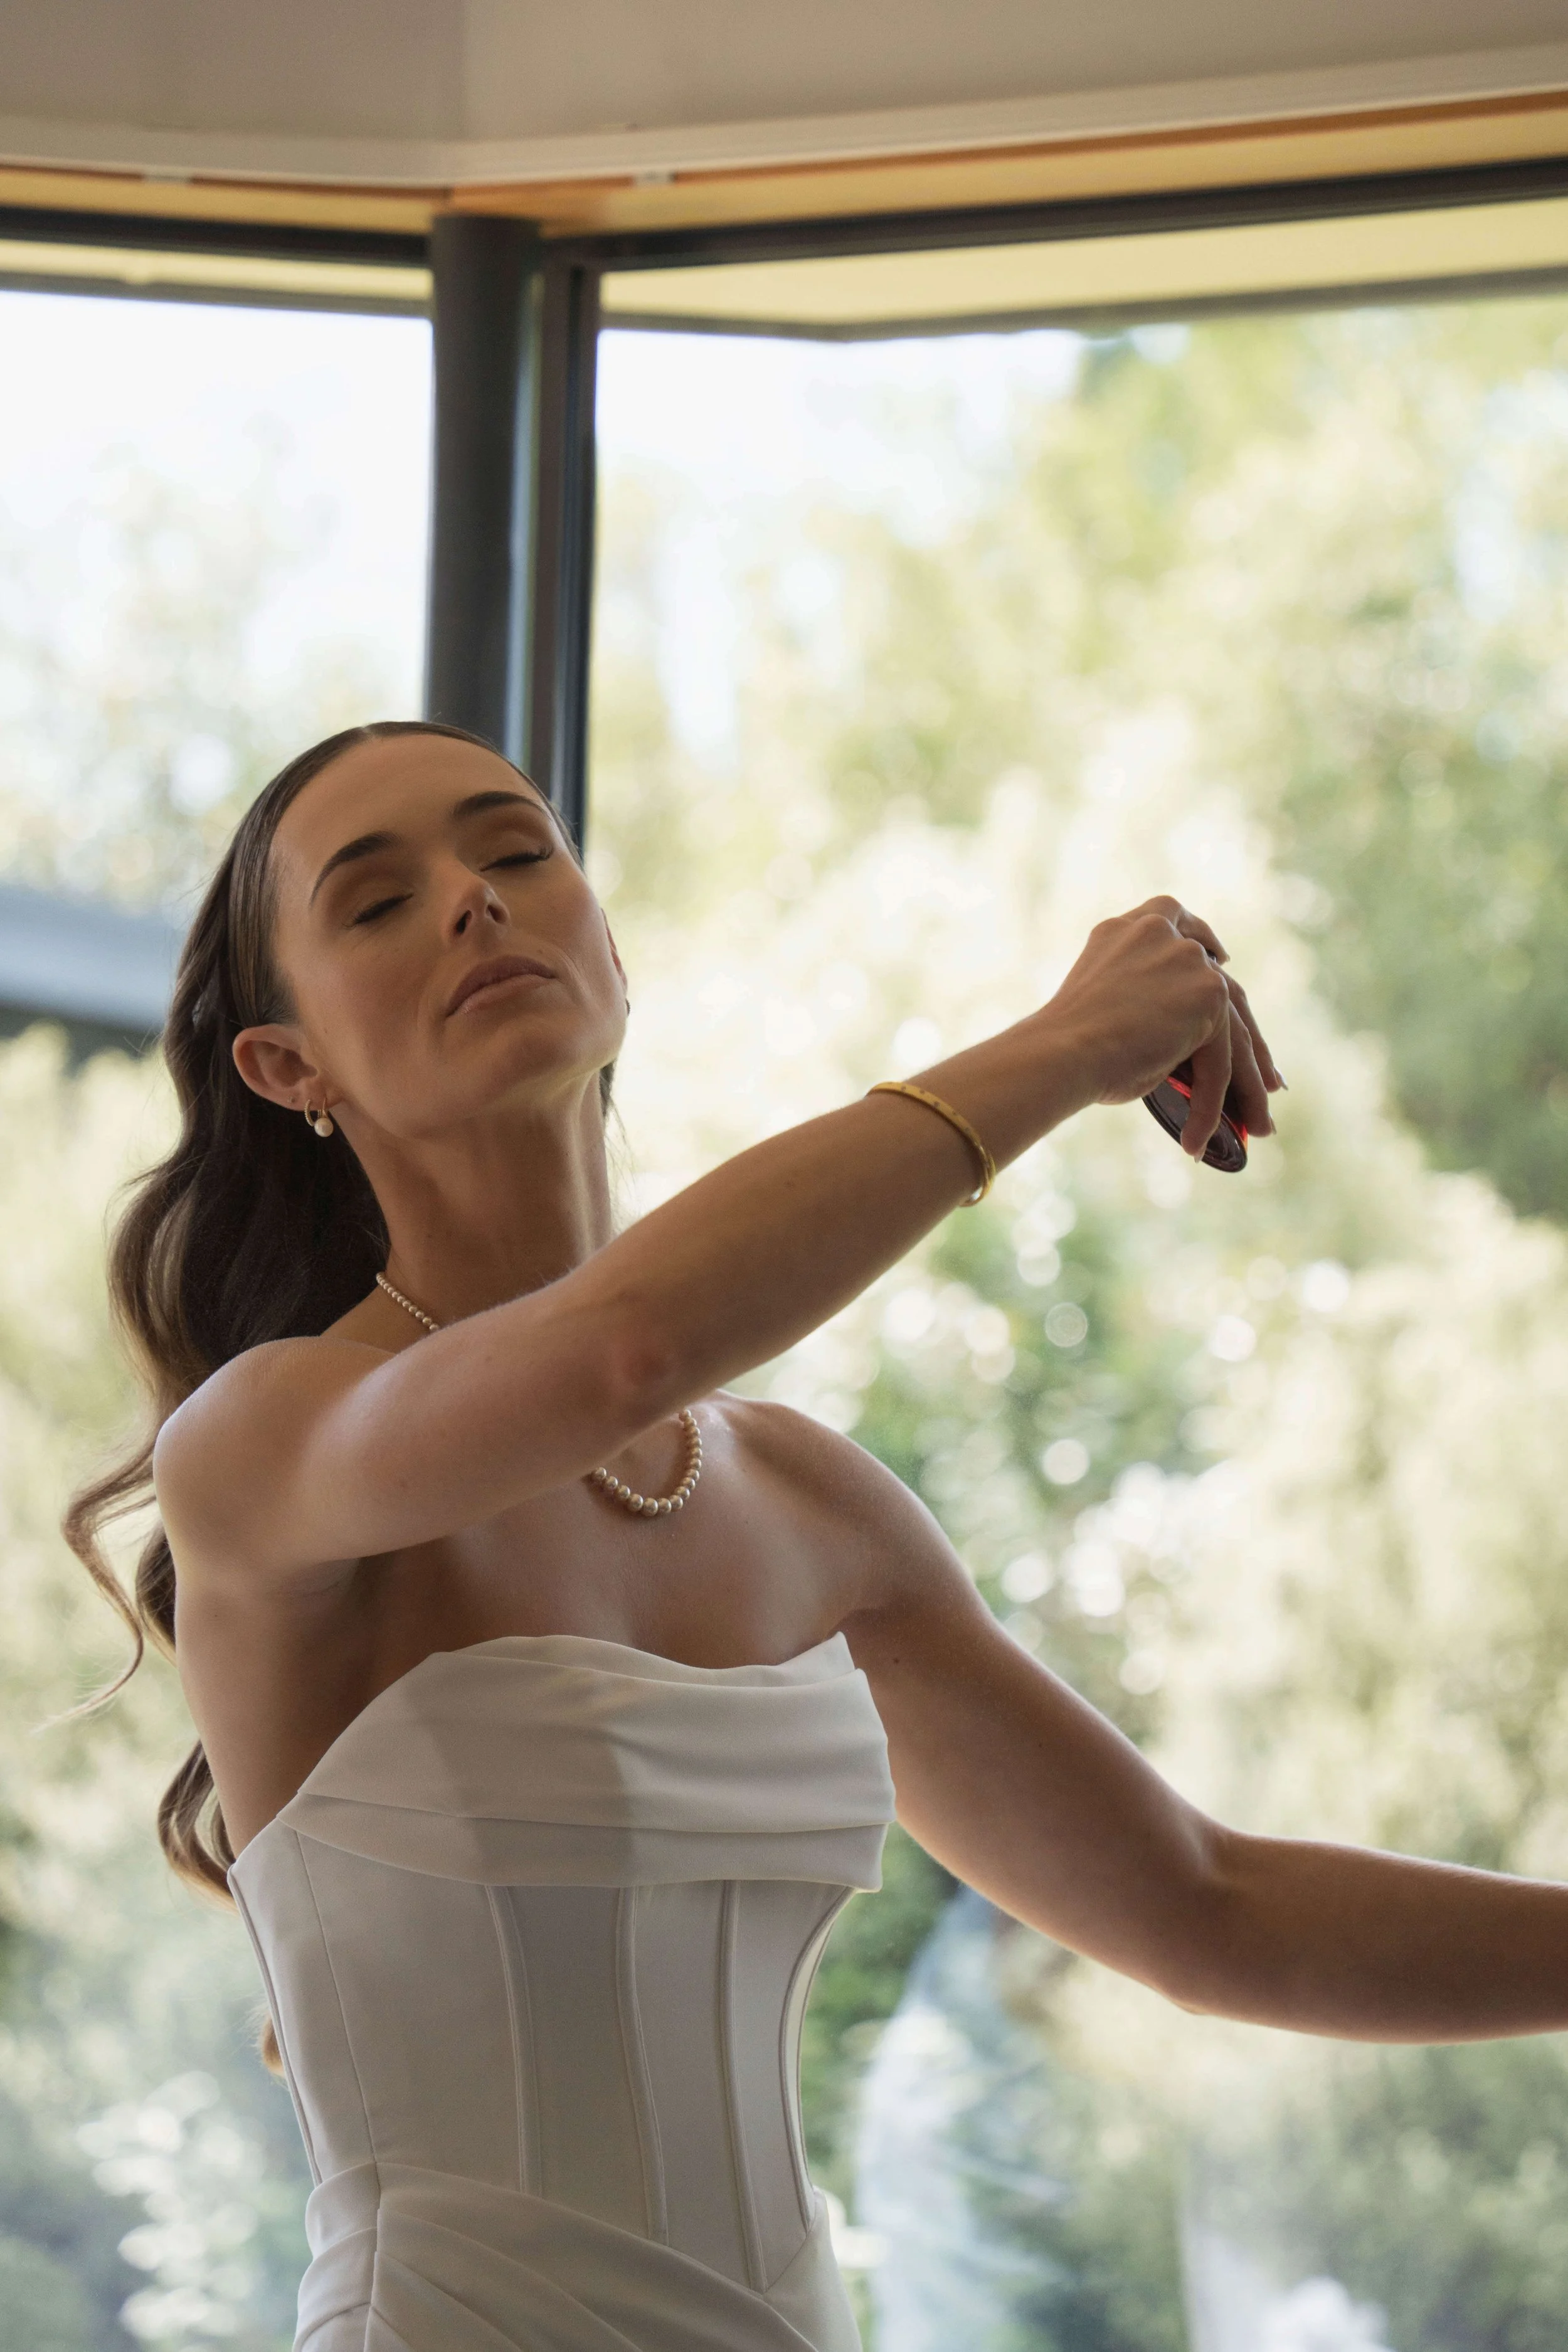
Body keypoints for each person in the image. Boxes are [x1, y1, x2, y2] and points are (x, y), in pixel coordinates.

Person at [67, 718, 1568, 2352]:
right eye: (376, 900)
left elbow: (1205, 1904)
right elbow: (618, 1350)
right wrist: (1065, 1045)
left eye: (515, 852)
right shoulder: (265, 1442)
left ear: (609, 944)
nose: (472, 905)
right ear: (291, 1068)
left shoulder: (806, 1505)